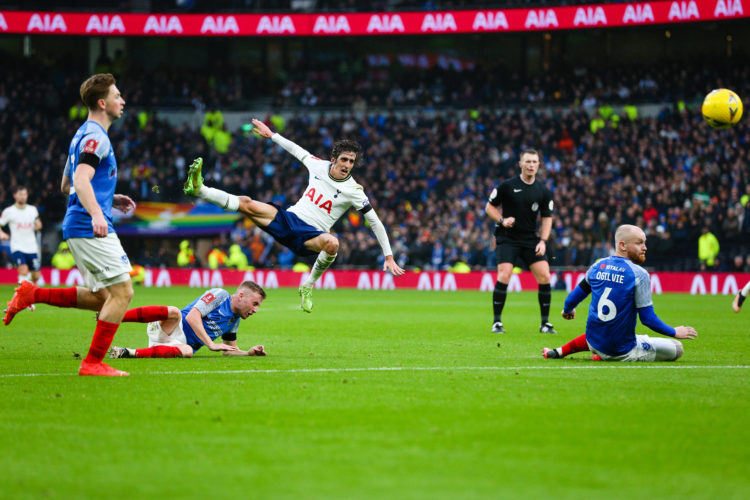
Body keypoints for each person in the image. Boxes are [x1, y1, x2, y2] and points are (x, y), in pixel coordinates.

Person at [183, 117, 405, 312]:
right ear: (334, 158)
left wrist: (388, 255)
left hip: (309, 236)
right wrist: (272, 135)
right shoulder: (319, 166)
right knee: (247, 203)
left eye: (352, 161)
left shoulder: (355, 190)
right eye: (344, 159)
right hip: (288, 219)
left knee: (333, 243)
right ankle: (199, 189)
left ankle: (308, 286)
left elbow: (375, 221)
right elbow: (297, 150)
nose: (347, 165)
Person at [4, 73, 136, 377]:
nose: (123, 101)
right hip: (87, 226)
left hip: (78, 225)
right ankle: (92, 363)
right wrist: (97, 214)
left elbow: (66, 184)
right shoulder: (96, 138)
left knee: (103, 297)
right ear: (103, 103)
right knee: (123, 293)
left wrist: (107, 199)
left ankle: (32, 294)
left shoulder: (81, 135)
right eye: (117, 96)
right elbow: (78, 180)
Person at [543, 224, 698, 362]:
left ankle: (561, 351)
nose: (645, 247)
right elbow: (648, 319)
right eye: (639, 243)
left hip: (594, 341)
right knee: (677, 348)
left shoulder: (598, 266)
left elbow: (572, 298)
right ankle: (603, 355)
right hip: (621, 351)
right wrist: (674, 331)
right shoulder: (639, 274)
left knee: (602, 330)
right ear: (623, 245)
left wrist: (568, 310)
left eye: (644, 242)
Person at [485, 149, 555, 334]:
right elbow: (489, 207)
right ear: (521, 164)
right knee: (505, 274)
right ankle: (497, 322)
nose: (531, 165)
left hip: (530, 239)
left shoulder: (543, 191)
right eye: (528, 162)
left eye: (534, 162)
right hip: (507, 238)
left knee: (545, 276)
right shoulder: (507, 186)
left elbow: (547, 218)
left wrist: (543, 241)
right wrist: (501, 220)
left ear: (538, 165)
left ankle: (545, 324)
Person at [109, 281, 267, 359]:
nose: (255, 310)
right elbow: (192, 316)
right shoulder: (220, 295)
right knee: (174, 312)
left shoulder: (235, 320)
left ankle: (127, 353)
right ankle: (116, 315)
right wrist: (210, 344)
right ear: (241, 296)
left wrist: (248, 353)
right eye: (254, 304)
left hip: (175, 346)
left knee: (189, 351)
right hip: (171, 327)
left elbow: (228, 350)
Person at [0, 186, 43, 285]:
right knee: (23, 270)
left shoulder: (32, 210)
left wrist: (38, 226)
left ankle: (24, 283)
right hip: (17, 246)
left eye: (24, 194)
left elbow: (38, 223)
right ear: (15, 195)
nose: (23, 197)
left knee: (36, 276)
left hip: (32, 247)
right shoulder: (9, 211)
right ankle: (22, 294)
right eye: (20, 194)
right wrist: (2, 233)